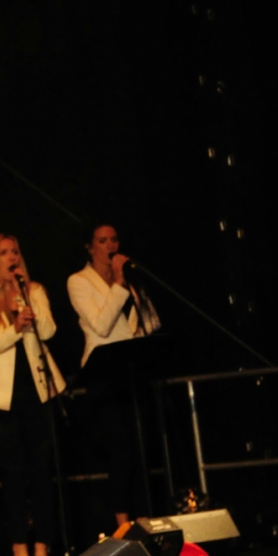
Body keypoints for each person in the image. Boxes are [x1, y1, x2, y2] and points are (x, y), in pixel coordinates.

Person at [0, 234, 66, 556]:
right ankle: (19, 546)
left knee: (42, 472)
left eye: (15, 252)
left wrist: (28, 302)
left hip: (38, 391)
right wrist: (15, 328)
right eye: (4, 253)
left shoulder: (33, 291)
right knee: (13, 474)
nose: (12, 257)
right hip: (1, 399)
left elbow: (49, 332)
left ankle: (43, 546)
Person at [66, 223, 161, 526]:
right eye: (102, 240)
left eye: (114, 239)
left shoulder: (128, 279)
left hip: (131, 367)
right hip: (103, 373)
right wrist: (118, 283)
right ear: (89, 247)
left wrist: (131, 290)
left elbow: (151, 321)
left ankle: (145, 519)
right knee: (119, 449)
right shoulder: (79, 281)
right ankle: (123, 523)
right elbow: (101, 325)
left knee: (141, 447)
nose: (110, 246)